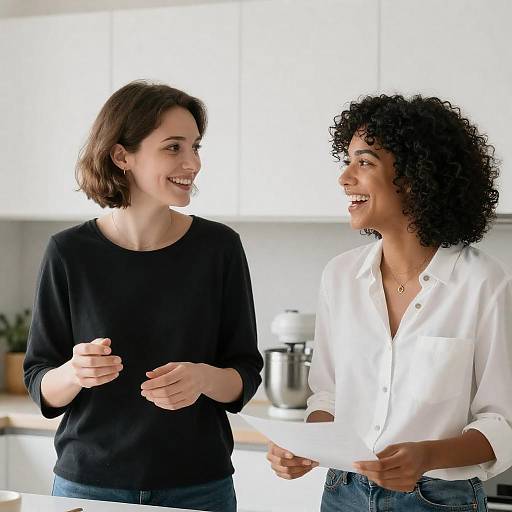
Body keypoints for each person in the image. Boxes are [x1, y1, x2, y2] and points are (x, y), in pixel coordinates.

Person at [24, 80, 263, 512]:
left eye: (196, 146)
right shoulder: (68, 252)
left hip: (200, 488)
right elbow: (40, 381)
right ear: (122, 156)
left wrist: (203, 378)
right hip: (88, 486)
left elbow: (244, 372)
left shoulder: (219, 248)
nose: (193, 163)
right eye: (174, 147)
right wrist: (75, 372)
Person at [266, 94, 512, 511]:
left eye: (364, 162)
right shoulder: (340, 277)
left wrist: (427, 456)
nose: (344, 178)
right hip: (342, 492)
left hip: (436, 499)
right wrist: (306, 446)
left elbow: (501, 423)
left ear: (415, 176)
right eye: (346, 161)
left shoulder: (484, 283)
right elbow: (327, 398)